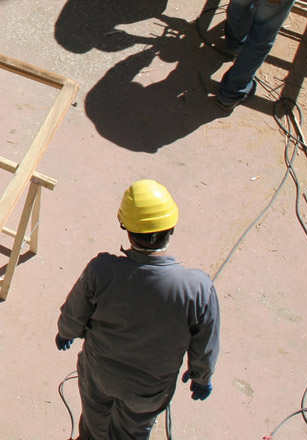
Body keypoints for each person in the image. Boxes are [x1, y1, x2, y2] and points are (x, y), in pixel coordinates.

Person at [57, 179, 219, 440]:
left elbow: (75, 312)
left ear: (126, 227)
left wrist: (67, 331)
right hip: (148, 390)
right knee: (131, 433)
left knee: (94, 424)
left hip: (100, 375)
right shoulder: (198, 289)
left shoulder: (102, 270)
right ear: (171, 229)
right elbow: (205, 343)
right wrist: (201, 376)